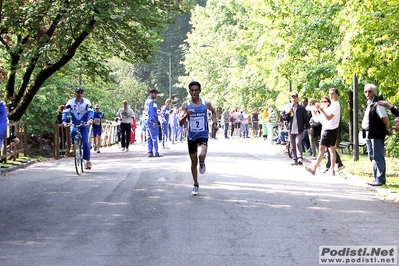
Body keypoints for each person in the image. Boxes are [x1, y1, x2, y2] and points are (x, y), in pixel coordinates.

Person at [179, 81, 218, 196]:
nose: (194, 92)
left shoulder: (205, 104)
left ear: (200, 91)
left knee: (201, 154)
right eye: (192, 90)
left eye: (196, 90)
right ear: (189, 91)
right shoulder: (185, 105)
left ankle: (202, 161)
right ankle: (196, 184)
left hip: (203, 135)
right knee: (193, 162)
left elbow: (214, 111)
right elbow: (181, 123)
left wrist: (214, 123)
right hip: (191, 137)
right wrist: (187, 114)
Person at [305, 88, 342, 175]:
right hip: (330, 129)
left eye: (333, 93)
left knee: (322, 149)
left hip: (329, 129)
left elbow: (329, 117)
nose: (331, 95)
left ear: (337, 95)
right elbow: (318, 119)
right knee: (332, 149)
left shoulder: (336, 105)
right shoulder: (331, 105)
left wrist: (321, 109)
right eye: (330, 93)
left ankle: (314, 168)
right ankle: (332, 169)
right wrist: (316, 110)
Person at [361, 84, 390, 186]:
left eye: (370, 91)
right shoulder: (369, 104)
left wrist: (385, 129)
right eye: (366, 92)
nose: (367, 94)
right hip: (369, 133)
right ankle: (375, 177)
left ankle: (380, 179)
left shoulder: (378, 104)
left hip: (376, 133)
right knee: (372, 156)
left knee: (378, 156)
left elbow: (385, 119)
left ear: (374, 92)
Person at [62, 87, 94, 170]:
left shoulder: (87, 102)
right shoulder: (71, 102)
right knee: (72, 132)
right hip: (74, 122)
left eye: (81, 93)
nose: (79, 94)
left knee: (86, 142)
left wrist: (90, 120)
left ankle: (87, 161)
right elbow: (65, 112)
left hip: (84, 123)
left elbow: (91, 111)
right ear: (75, 93)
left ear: (83, 94)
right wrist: (64, 121)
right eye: (78, 93)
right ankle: (73, 144)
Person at [284, 92, 309, 165]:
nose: (293, 99)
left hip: (299, 129)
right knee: (292, 144)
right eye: (292, 97)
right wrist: (289, 113)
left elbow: (306, 119)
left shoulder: (301, 108)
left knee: (298, 142)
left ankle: (300, 158)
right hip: (291, 129)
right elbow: (283, 118)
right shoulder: (287, 107)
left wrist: (308, 128)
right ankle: (294, 159)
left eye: (295, 97)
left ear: (297, 98)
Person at [144, 89, 162, 157]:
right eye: (155, 93)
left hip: (147, 120)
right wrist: (153, 121)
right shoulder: (151, 102)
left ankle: (150, 151)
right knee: (154, 137)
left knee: (149, 136)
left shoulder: (147, 101)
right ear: (151, 94)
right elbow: (151, 112)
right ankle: (156, 152)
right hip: (151, 120)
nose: (156, 95)